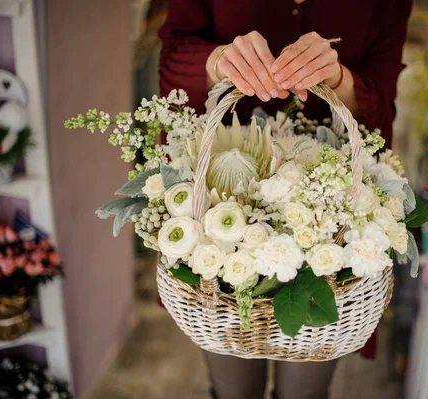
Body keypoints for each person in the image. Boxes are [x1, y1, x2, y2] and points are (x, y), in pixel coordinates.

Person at [158, 1, 411, 398]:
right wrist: (217, 62)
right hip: (222, 197)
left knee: (305, 392)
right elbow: (172, 55)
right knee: (233, 390)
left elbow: (382, 104)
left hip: (332, 217)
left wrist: (340, 80)